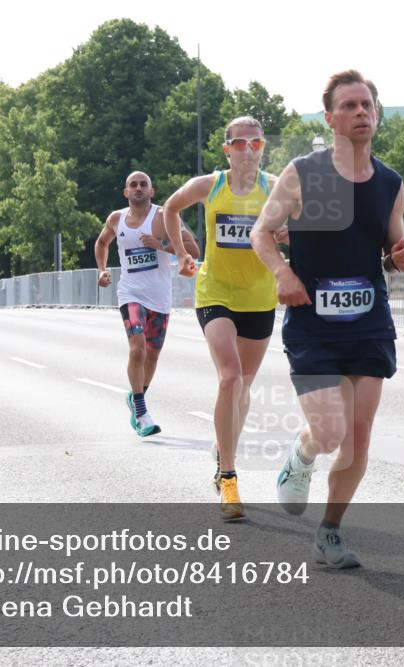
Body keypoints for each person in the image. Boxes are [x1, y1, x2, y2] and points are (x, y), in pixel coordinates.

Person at [251, 70, 404, 568]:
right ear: (330, 118)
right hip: (312, 320)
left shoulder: (390, 183)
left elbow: (389, 248)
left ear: (376, 114)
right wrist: (282, 273)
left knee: (359, 436)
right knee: (329, 434)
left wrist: (400, 259)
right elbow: (262, 233)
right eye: (349, 106)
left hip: (368, 320)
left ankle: (330, 532)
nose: (361, 112)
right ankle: (302, 454)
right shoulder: (304, 173)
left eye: (367, 105)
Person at [163, 116, 287, 522]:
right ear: (227, 148)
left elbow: (303, 224)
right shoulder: (210, 185)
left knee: (244, 387)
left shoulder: (275, 186)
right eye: (240, 143)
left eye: (256, 143)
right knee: (230, 377)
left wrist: (289, 232)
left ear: (263, 147)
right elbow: (170, 208)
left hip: (259, 295)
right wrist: (182, 253)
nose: (249, 149)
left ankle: (223, 445)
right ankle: (228, 478)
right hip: (215, 292)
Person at [95, 171, 199, 438]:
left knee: (152, 355)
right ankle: (141, 412)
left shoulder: (164, 216)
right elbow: (101, 242)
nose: (138, 188)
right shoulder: (116, 219)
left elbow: (193, 250)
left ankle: (136, 396)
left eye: (144, 185)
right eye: (133, 185)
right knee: (137, 349)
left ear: (151, 191)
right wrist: (101, 270)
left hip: (160, 298)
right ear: (125, 192)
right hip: (130, 294)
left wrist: (160, 244)